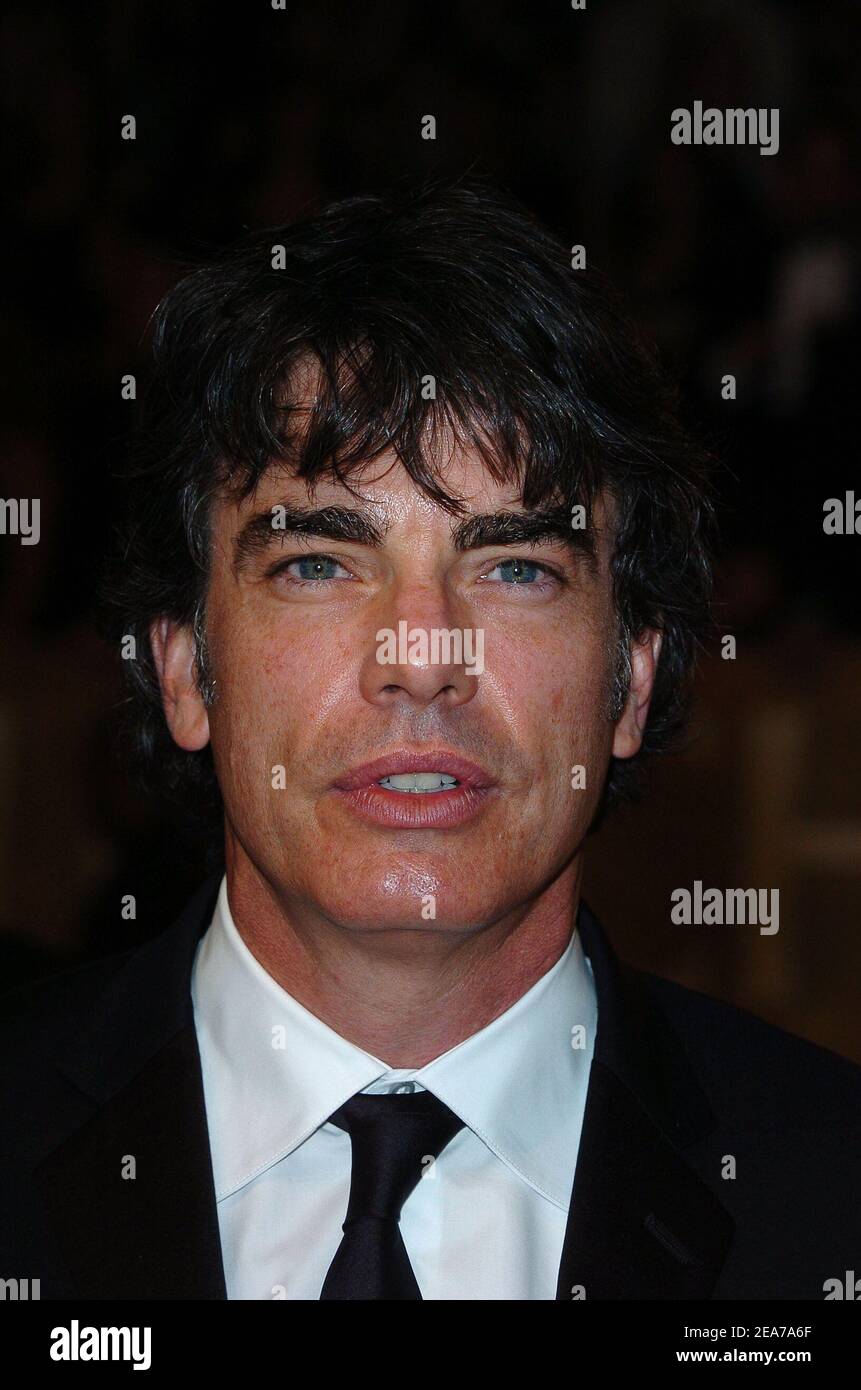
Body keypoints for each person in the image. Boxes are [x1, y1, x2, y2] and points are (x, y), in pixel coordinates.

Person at [1, 178, 858, 1300]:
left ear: (632, 681)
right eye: (319, 563)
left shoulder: (832, 1196)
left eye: (516, 568)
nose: (420, 653)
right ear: (183, 669)